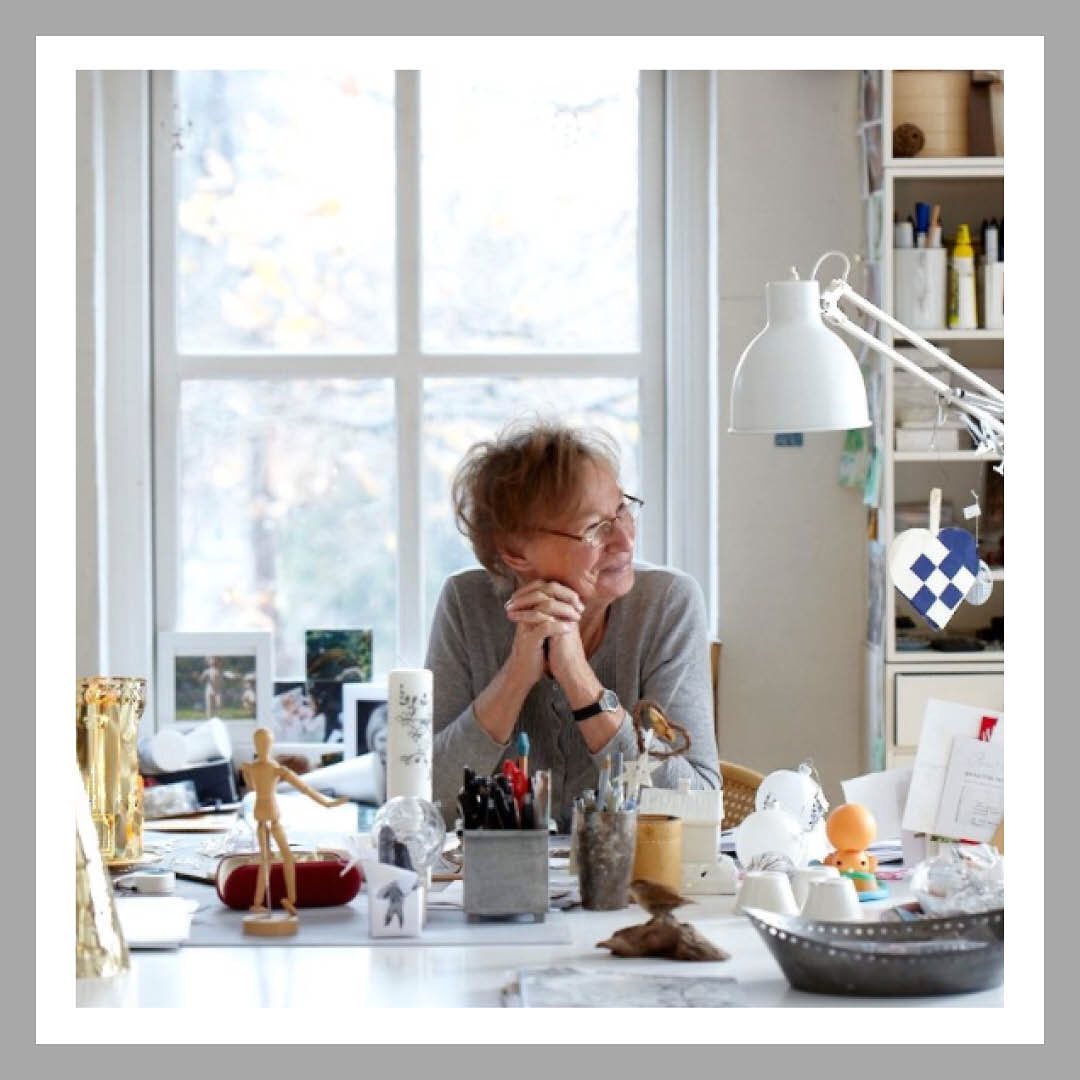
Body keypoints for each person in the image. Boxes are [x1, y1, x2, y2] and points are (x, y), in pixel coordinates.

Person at [427, 419, 719, 831]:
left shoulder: (667, 604)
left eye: (622, 509)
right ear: (515, 553)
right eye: (595, 528)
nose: (625, 539)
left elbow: (698, 807)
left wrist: (580, 681)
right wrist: (515, 677)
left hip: (630, 870)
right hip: (497, 872)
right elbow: (426, 807)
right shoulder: (466, 604)